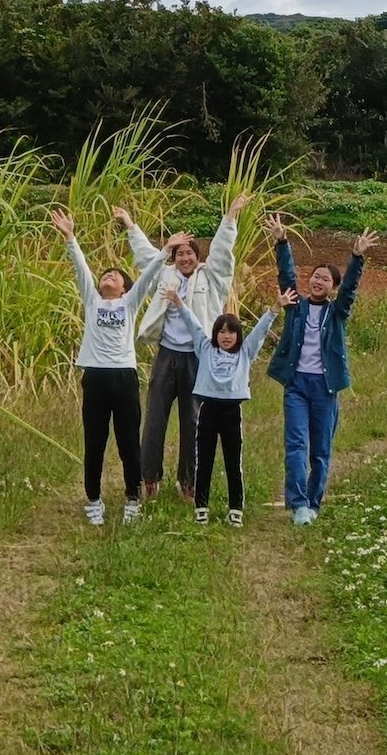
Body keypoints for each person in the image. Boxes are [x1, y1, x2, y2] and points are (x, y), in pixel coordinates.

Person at [129, 192, 247, 502]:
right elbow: (145, 257)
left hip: (198, 357)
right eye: (179, 254)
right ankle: (149, 476)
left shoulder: (212, 278)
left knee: (193, 420)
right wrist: (130, 224)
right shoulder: (164, 275)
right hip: (167, 353)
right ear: (173, 258)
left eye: (189, 254)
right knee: (155, 417)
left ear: (197, 257)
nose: (184, 258)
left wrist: (230, 217)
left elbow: (223, 252)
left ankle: (189, 480)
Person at [53, 207, 166, 526]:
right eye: (106, 274)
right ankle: (93, 499)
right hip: (96, 377)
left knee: (129, 440)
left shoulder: (129, 303)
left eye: (115, 275)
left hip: (124, 377)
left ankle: (132, 498)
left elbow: (148, 278)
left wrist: (167, 250)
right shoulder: (92, 301)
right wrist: (70, 237)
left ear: (125, 289)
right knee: (95, 441)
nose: (108, 276)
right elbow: (81, 270)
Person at [268, 215, 377, 525]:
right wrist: (281, 241)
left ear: (333, 287)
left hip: (326, 388)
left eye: (325, 279)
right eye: (315, 277)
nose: (317, 282)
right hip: (297, 385)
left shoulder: (337, 312)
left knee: (321, 450)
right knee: (297, 444)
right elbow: (286, 276)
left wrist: (356, 257)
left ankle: (314, 502)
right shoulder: (295, 305)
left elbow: (351, 289)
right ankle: (299, 503)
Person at [172, 285, 278, 527]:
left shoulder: (245, 352)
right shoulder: (205, 348)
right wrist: (178, 302)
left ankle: (235, 508)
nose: (226, 336)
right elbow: (193, 324)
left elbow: (260, 331)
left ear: (238, 335)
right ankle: (201, 506)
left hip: (232, 411)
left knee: (233, 462)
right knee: (204, 461)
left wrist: (274, 308)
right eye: (221, 331)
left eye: (231, 332)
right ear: (215, 334)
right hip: (207, 409)